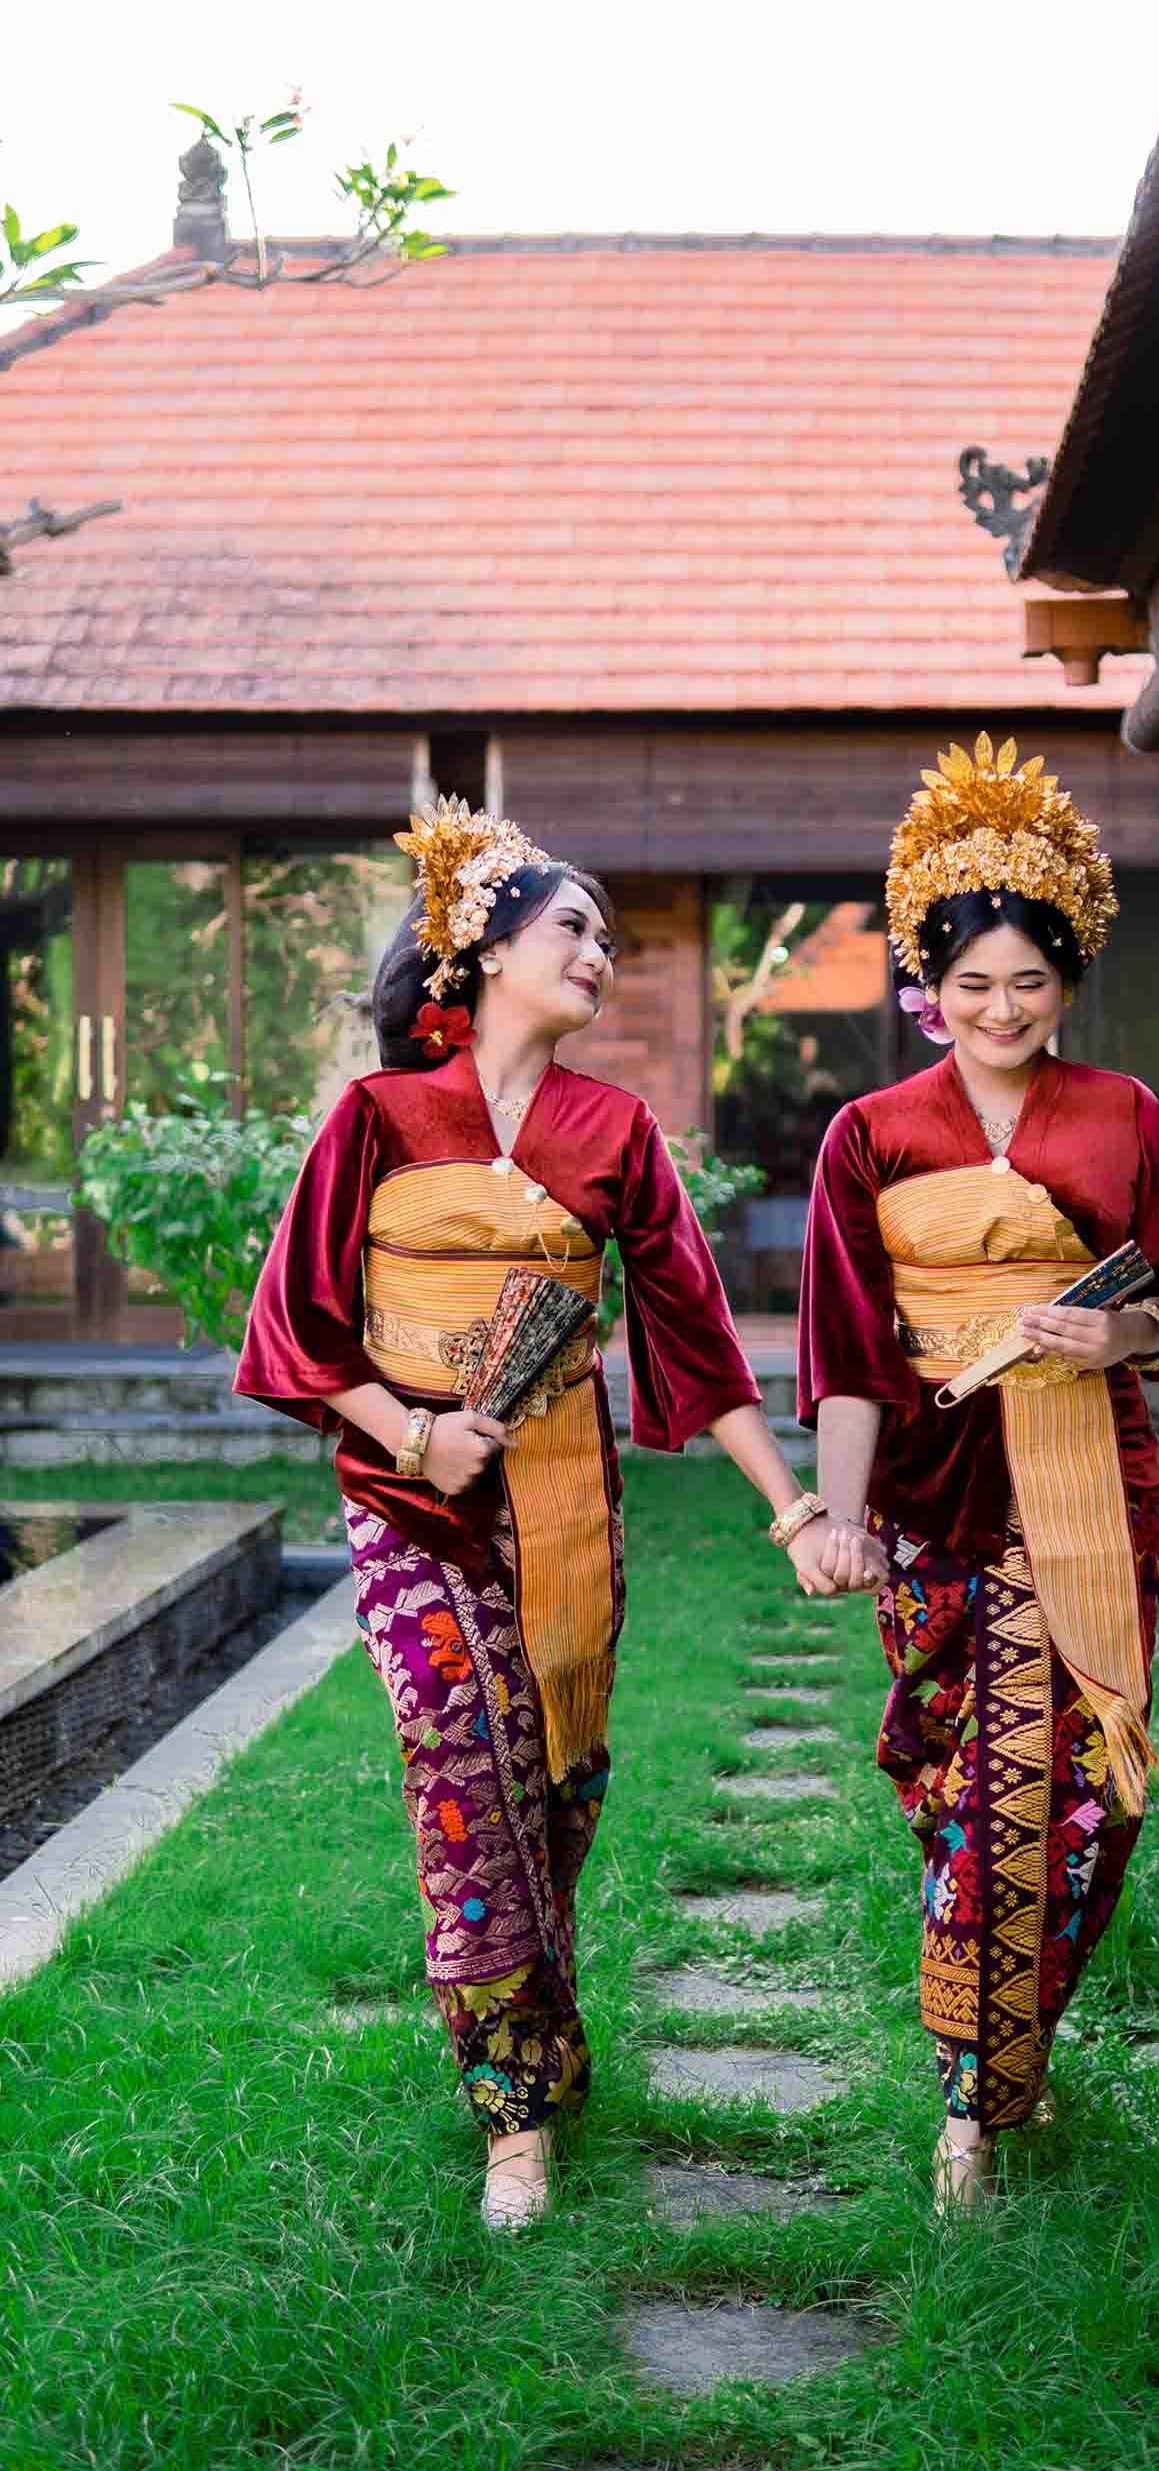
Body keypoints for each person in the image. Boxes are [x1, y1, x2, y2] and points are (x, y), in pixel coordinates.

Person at [236, 796, 839, 2230]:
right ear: (489, 948)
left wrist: (794, 1507)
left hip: (565, 1505)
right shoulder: (376, 1120)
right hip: (407, 1499)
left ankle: (538, 2046)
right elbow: (294, 1327)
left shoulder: (615, 1131)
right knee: (464, 1765)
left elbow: (695, 1338)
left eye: (609, 940)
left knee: (552, 1785)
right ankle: (514, 2117)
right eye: (574, 928)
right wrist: (414, 1434)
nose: (599, 955)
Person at [797, 735, 1159, 2215]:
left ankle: (977, 2098)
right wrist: (840, 1517)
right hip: (927, 1490)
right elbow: (848, 1349)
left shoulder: (1123, 1115)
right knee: (960, 1791)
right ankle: (990, 2076)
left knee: (1074, 1788)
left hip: (1084, 1482)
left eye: (1029, 981)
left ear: (1069, 977)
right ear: (928, 982)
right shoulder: (867, 1134)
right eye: (972, 982)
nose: (1001, 1009)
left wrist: (1120, 1332)